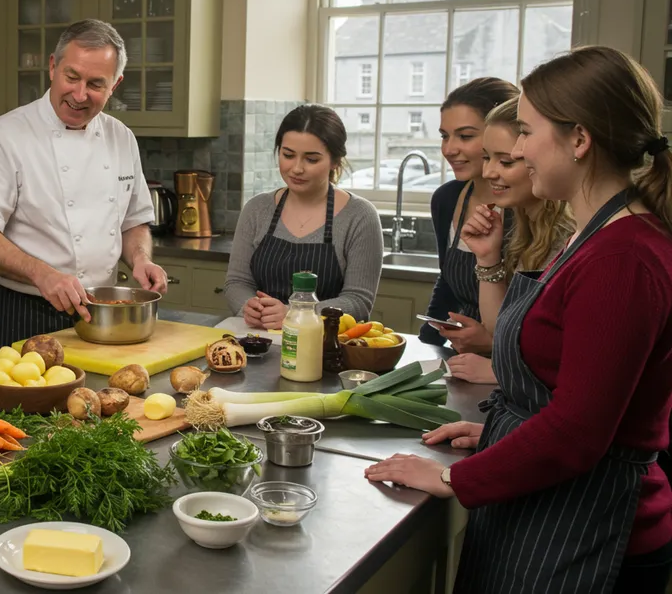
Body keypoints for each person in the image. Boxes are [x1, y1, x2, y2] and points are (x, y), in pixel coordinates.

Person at [366, 45, 672, 593]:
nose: (517, 151)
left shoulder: (622, 258)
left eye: (526, 133)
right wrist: (500, 434)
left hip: (590, 531)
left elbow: (578, 433)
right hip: (547, 510)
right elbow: (575, 393)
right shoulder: (595, 236)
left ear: (578, 140)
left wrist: (450, 478)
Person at [0, 19, 167, 351]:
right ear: (53, 67)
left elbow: (133, 222)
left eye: (96, 84)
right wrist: (42, 274)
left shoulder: (120, 137)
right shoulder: (5, 135)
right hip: (24, 311)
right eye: (72, 77)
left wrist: (141, 259)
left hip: (102, 313)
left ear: (116, 84)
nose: (80, 95)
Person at [447, 97, 574, 385]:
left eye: (505, 161)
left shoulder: (568, 237)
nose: (489, 172)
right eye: (487, 158)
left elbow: (563, 357)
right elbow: (502, 331)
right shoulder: (522, 225)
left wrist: (498, 372)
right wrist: (488, 257)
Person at [224, 104, 383, 328]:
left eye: (311, 159)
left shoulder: (359, 216)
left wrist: (296, 315)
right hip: (259, 339)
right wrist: (249, 307)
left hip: (325, 347)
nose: (297, 168)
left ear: (335, 161)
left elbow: (358, 302)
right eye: (288, 155)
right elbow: (237, 282)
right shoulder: (257, 209)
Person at [421, 77, 519, 352]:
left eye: (465, 136)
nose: (449, 149)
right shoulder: (447, 198)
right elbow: (448, 285)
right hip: (460, 357)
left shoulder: (529, 207)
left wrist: (490, 344)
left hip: (513, 362)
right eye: (444, 136)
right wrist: (428, 348)